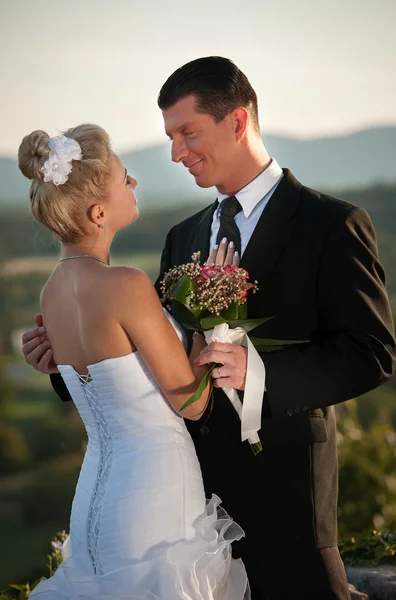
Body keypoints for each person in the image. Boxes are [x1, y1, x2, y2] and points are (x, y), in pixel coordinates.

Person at [22, 57, 396, 599]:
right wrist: (63, 365)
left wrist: (257, 369)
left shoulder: (330, 224)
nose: (176, 152)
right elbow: (142, 348)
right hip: (179, 510)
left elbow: (372, 352)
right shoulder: (183, 235)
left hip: (283, 495)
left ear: (238, 122)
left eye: (187, 132)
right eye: (171, 136)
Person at [18, 124, 250, 599]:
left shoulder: (52, 292)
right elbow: (192, 403)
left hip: (95, 496)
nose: (136, 185)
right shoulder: (125, 284)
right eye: (126, 179)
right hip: (154, 491)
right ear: (99, 212)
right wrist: (216, 320)